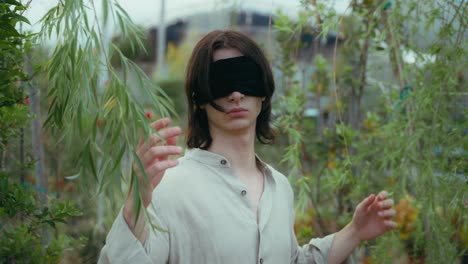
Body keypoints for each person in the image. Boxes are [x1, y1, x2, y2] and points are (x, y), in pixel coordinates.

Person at [98, 30, 396, 264]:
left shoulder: (279, 188)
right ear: (199, 98)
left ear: (264, 92)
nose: (237, 93)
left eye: (246, 78)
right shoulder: (170, 187)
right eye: (222, 82)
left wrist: (354, 232)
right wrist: (135, 205)